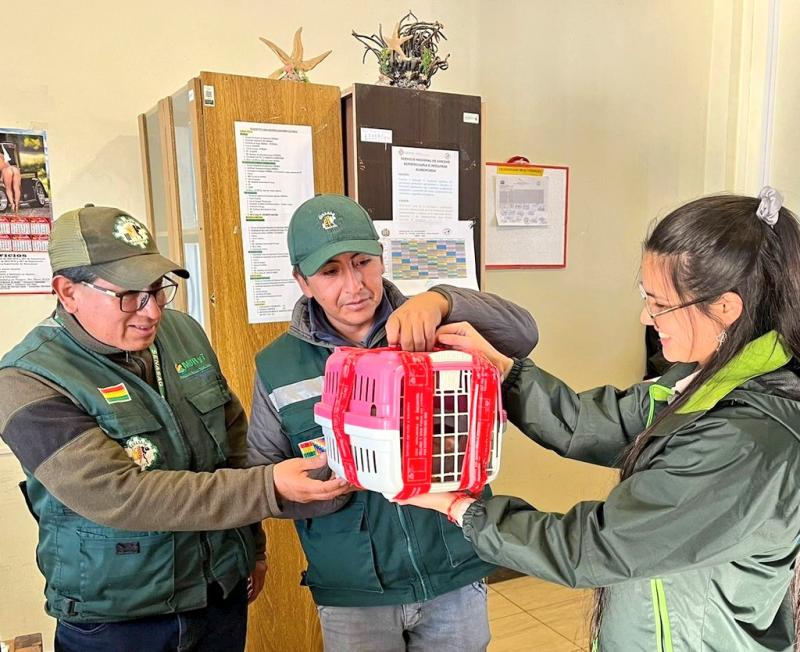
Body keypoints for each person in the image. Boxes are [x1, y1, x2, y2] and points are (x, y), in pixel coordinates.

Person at [400, 188, 800, 651]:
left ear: (726, 307)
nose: (648, 317)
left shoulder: (747, 440)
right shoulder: (699, 383)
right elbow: (588, 423)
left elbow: (593, 547)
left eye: (660, 303)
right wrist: (503, 372)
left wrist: (461, 508)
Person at [0, 205, 351, 652]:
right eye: (129, 295)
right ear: (67, 292)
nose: (151, 311)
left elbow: (232, 447)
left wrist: (252, 549)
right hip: (121, 618)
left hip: (218, 596)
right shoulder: (25, 379)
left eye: (157, 289)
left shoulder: (183, 332)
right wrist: (268, 488)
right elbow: (118, 494)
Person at [247, 194, 539, 652]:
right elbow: (262, 476)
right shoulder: (276, 366)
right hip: (354, 587)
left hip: (454, 566)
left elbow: (524, 334)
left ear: (381, 258)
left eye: (363, 262)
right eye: (330, 272)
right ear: (302, 282)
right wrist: (303, 493)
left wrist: (442, 299)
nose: (354, 284)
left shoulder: (431, 324)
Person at [0, 144, 22, 212]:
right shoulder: (2, 155)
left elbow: (2, 168)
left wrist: (1, 177)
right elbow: (7, 165)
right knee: (16, 188)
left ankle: (12, 204)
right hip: (13, 169)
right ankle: (17, 206)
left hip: (6, 171)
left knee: (8, 189)